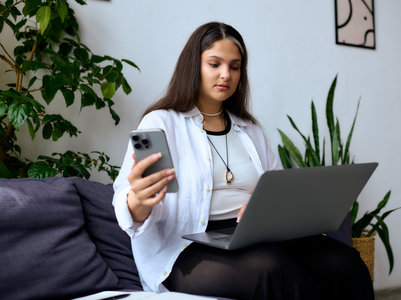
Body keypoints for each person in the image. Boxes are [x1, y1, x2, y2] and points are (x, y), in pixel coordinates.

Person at [113, 21, 374, 300]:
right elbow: (128, 203)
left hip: (250, 235)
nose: (226, 74)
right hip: (185, 247)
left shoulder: (249, 129)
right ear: (194, 66)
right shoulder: (161, 123)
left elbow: (278, 186)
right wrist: (136, 203)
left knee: (344, 261)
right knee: (270, 268)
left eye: (234, 66)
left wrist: (266, 205)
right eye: (214, 64)